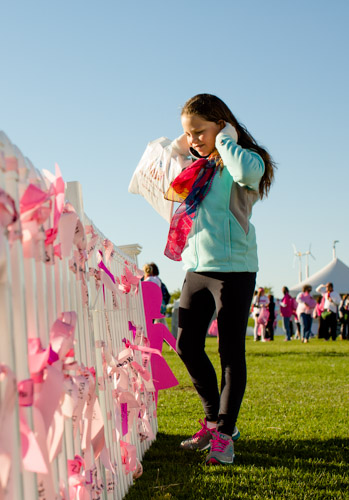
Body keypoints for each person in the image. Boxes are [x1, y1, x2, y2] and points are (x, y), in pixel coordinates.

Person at [146, 94, 275, 466]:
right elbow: (171, 164)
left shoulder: (247, 160)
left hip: (234, 270)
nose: (193, 140)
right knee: (186, 343)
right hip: (196, 269)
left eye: (199, 131)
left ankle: (224, 435)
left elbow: (246, 174)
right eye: (188, 134)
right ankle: (212, 419)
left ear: (222, 124)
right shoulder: (194, 165)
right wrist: (184, 143)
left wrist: (225, 140)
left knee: (231, 351)